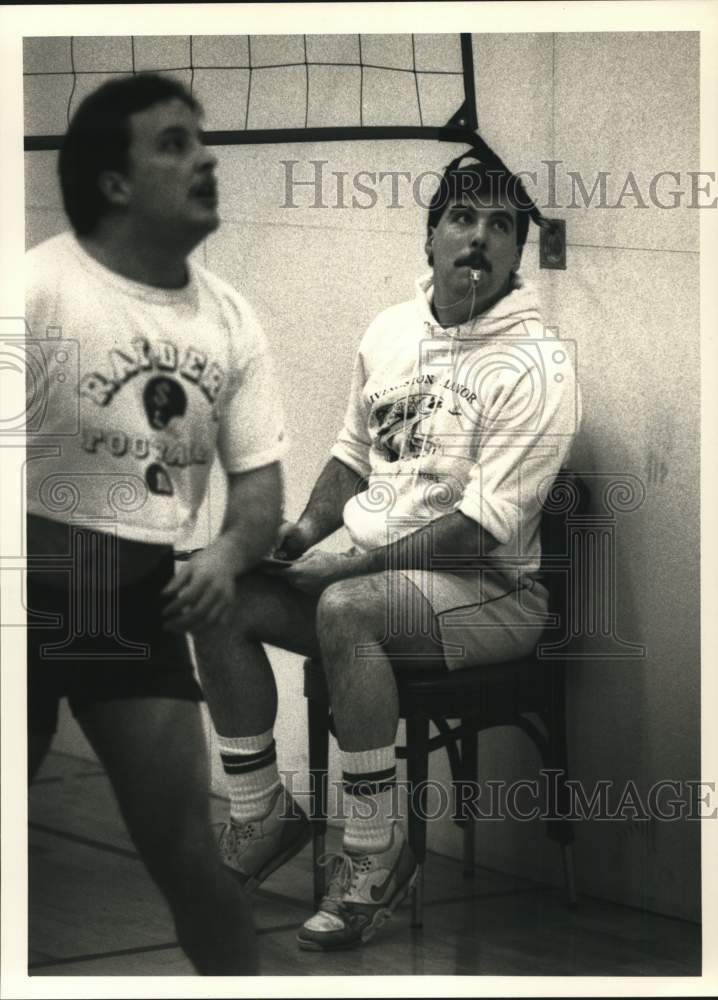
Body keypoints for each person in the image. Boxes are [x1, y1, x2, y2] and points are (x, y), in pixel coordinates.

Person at [192, 152, 579, 952]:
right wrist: (301, 535)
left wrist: (346, 562)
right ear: (431, 235)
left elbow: (482, 528)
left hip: (493, 598)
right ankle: (260, 812)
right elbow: (352, 458)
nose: (479, 238)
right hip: (376, 583)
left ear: (516, 253)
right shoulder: (389, 330)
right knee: (218, 591)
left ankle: (374, 853)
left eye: (501, 226)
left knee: (347, 605)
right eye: (463, 218)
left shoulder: (540, 366)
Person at [25, 73, 288, 974]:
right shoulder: (37, 297)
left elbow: (259, 495)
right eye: (174, 143)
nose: (207, 156)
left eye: (201, 138)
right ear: (115, 184)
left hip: (135, 601)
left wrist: (225, 553)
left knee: (190, 857)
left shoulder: (231, 321)